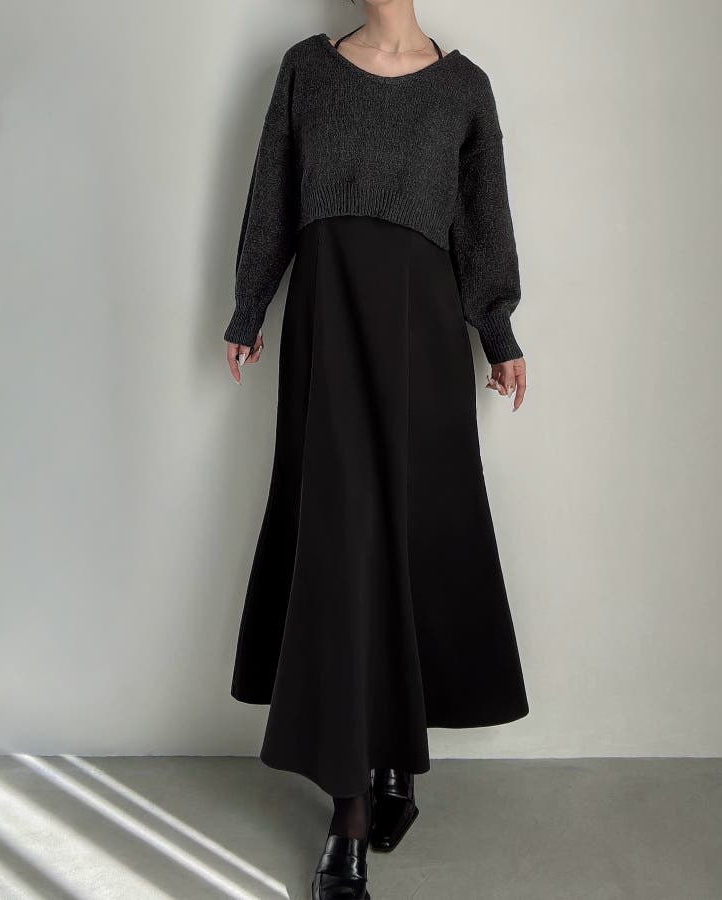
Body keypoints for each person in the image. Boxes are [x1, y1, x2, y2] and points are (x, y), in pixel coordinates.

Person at [223, 3, 529, 897]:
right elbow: (273, 190)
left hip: (423, 334)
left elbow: (483, 220)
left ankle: (397, 762)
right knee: (341, 543)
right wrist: (249, 304)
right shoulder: (308, 69)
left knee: (414, 533)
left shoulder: (464, 88)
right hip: (329, 327)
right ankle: (349, 808)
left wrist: (498, 330)